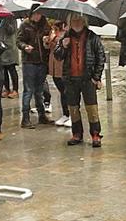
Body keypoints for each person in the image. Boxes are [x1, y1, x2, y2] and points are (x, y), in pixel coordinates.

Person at [50, 11, 104, 147]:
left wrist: (96, 77)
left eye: (79, 20)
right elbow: (58, 56)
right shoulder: (65, 37)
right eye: (73, 20)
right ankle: (77, 134)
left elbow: (100, 57)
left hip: (87, 78)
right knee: (73, 108)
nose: (77, 22)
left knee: (92, 108)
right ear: (69, 23)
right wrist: (63, 46)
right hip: (70, 79)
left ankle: (95, 134)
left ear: (84, 22)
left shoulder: (92, 37)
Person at [17, 11, 53, 127]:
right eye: (35, 14)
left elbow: (48, 42)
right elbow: (18, 41)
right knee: (28, 90)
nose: (37, 16)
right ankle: (25, 118)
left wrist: (48, 40)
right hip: (29, 61)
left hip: (42, 61)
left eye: (39, 14)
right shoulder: (25, 25)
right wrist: (24, 46)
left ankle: (42, 115)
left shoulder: (46, 25)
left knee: (39, 90)